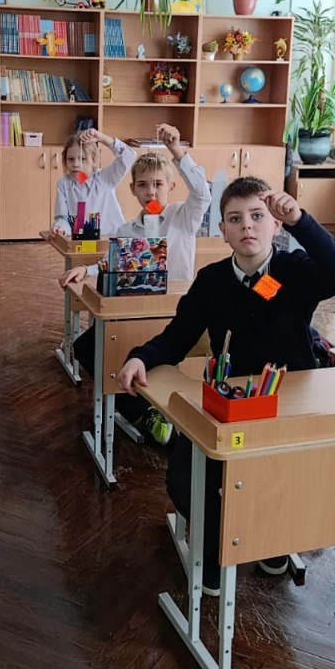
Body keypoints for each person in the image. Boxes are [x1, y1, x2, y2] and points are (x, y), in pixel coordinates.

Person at [116, 176, 335, 594]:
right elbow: (178, 336)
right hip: (229, 401)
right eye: (235, 218)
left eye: (258, 216)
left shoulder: (294, 271)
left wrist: (300, 219)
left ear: (275, 225)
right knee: (192, 474)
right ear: (223, 231)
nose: (247, 225)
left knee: (284, 473)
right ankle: (212, 548)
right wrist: (140, 356)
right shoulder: (211, 281)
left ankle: (272, 538)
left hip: (289, 401)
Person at [59, 123, 212, 443]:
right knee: (86, 347)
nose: (151, 192)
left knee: (141, 351)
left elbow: (202, 193)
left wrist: (176, 151)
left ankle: (160, 409)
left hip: (175, 313)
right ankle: (143, 410)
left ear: (171, 186)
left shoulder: (183, 217)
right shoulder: (128, 229)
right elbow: (111, 263)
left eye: (158, 184)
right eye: (143, 185)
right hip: (136, 310)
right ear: (132, 190)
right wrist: (86, 270)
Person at [51, 127, 135, 238]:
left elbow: (129, 155)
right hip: (82, 241)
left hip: (112, 239)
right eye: (70, 159)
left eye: (82, 159)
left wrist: (101, 137)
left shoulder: (105, 178)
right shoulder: (64, 184)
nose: (75, 164)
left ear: (94, 160)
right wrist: (60, 228)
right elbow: (62, 218)